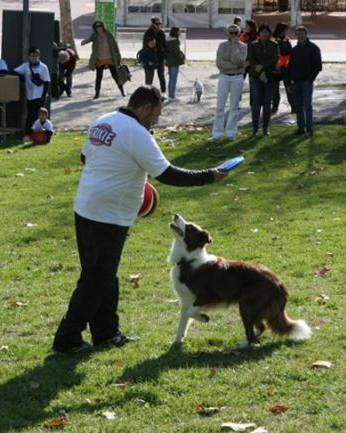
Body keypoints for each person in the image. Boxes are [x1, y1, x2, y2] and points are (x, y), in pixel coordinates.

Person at [51, 85, 228, 354]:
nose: (155, 122)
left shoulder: (103, 121)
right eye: (156, 116)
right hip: (107, 215)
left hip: (86, 207)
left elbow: (85, 156)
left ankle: (106, 332)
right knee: (96, 278)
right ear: (145, 108)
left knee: (104, 274)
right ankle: (67, 339)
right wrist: (208, 176)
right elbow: (167, 174)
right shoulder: (137, 133)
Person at [211, 24, 248, 141]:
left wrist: (234, 46)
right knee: (220, 107)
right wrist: (235, 67)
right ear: (227, 33)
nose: (233, 35)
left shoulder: (242, 47)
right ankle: (217, 134)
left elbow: (238, 60)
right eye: (231, 33)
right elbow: (220, 64)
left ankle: (231, 133)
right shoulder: (222, 46)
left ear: (239, 34)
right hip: (224, 77)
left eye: (235, 33)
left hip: (237, 78)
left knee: (234, 106)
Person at [288, 25, 322, 137]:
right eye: (298, 34)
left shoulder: (313, 48)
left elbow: (318, 66)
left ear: (306, 35)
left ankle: (309, 128)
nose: (300, 36)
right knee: (298, 106)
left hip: (306, 81)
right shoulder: (294, 50)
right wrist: (289, 82)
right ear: (296, 36)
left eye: (302, 34)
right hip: (295, 82)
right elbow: (289, 67)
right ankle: (300, 127)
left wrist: (310, 79)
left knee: (307, 105)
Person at [248, 24, 279, 136]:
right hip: (255, 77)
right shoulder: (253, 45)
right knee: (256, 104)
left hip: (270, 77)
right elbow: (251, 60)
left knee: (267, 104)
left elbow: (275, 58)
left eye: (266, 32)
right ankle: (255, 129)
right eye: (262, 32)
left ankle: (265, 129)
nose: (264, 34)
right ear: (259, 34)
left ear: (269, 34)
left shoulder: (274, 45)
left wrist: (264, 68)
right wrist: (260, 72)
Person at [14, 47, 50, 140]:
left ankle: (42, 133)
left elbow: (47, 82)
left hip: (40, 96)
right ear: (29, 56)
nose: (34, 57)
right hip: (30, 96)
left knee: (40, 116)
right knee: (30, 115)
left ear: (39, 56)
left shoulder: (43, 67)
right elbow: (15, 71)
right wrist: (22, 78)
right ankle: (28, 133)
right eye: (32, 56)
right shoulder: (25, 66)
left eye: (36, 55)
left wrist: (43, 96)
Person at [82, 21, 125, 99]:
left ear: (103, 26)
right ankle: (97, 93)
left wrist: (119, 55)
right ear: (95, 28)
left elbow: (115, 45)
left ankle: (122, 91)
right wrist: (84, 42)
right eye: (97, 27)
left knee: (115, 76)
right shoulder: (94, 35)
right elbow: (88, 39)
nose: (99, 28)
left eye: (100, 26)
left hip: (110, 59)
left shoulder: (108, 34)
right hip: (99, 60)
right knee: (99, 77)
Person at [271, 22, 293, 115]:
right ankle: (275, 106)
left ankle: (293, 106)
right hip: (276, 67)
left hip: (286, 67)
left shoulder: (286, 40)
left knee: (288, 87)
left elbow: (290, 52)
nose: (286, 32)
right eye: (284, 30)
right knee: (275, 89)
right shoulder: (273, 39)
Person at [143, 17, 167, 94]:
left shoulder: (162, 33)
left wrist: (165, 55)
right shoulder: (148, 33)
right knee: (149, 79)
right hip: (151, 58)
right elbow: (145, 46)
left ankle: (163, 92)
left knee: (161, 77)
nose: (159, 25)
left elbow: (164, 45)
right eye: (157, 24)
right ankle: (147, 94)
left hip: (160, 58)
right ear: (153, 24)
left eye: (160, 24)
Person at [165, 26, 185, 102]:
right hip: (174, 62)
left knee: (171, 79)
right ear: (176, 32)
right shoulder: (174, 42)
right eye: (179, 31)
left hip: (169, 61)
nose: (180, 33)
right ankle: (172, 96)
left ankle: (170, 94)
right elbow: (176, 53)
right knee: (173, 79)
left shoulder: (168, 40)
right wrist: (182, 57)